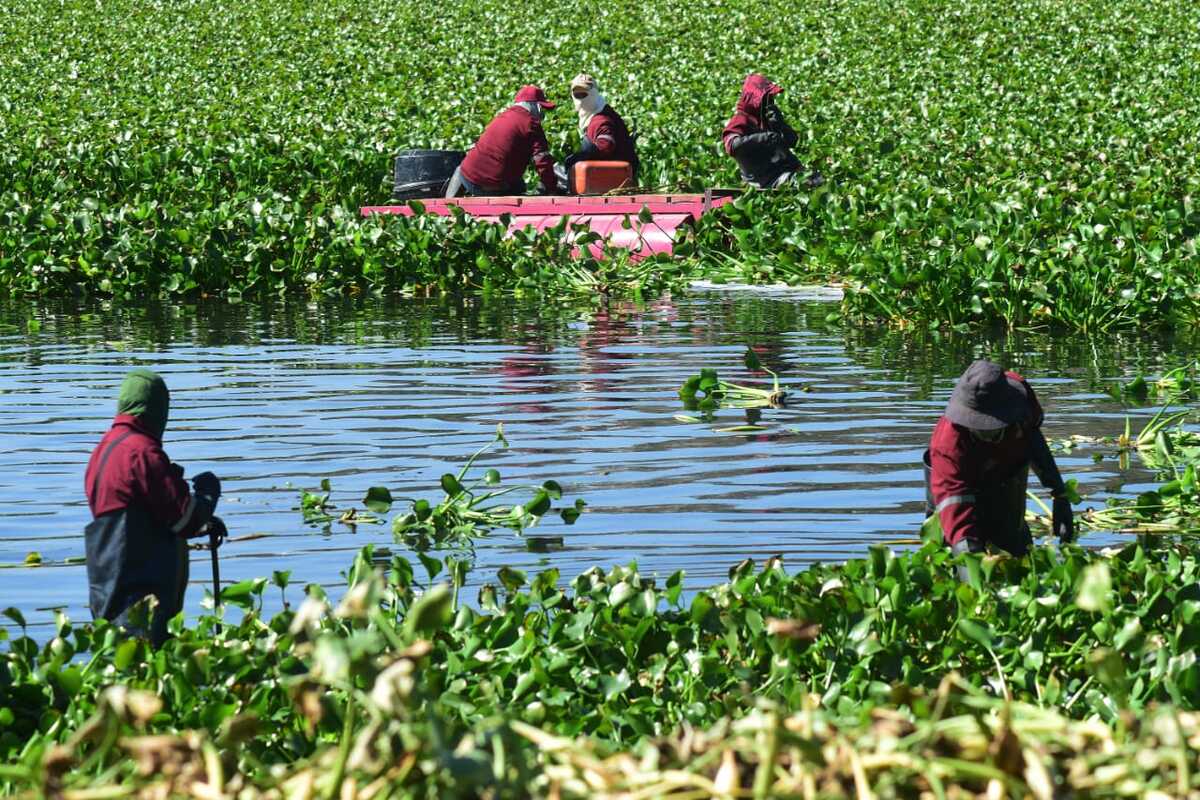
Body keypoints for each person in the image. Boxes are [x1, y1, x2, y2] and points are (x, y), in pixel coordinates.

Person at [84, 369, 225, 645]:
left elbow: (135, 520)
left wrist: (205, 525)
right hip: (140, 602)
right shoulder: (142, 452)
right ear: (156, 408)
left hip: (108, 595)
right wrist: (208, 497)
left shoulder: (103, 451)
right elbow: (185, 519)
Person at [924, 359, 1074, 561]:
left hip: (1005, 482)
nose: (987, 435)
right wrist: (975, 568)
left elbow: (1033, 439)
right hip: (957, 490)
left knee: (1017, 556)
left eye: (992, 428)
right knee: (953, 556)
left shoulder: (1021, 398)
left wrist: (1059, 494)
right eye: (980, 429)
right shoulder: (948, 445)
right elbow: (956, 508)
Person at [446, 85, 562, 197]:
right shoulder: (531, 124)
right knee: (519, 186)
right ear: (536, 106)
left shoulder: (502, 116)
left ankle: (447, 207)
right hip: (492, 187)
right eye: (542, 109)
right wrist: (551, 189)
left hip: (467, 178)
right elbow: (542, 161)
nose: (542, 114)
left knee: (463, 168)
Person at [722, 73, 813, 190]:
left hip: (788, 169)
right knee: (804, 183)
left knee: (817, 179)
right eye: (767, 98)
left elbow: (793, 142)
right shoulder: (741, 119)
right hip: (766, 179)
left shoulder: (768, 117)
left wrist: (781, 125)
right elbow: (732, 146)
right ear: (755, 98)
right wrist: (764, 138)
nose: (770, 101)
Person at [556, 74, 639, 193]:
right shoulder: (596, 111)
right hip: (610, 172)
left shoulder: (601, 119)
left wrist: (584, 153)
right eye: (577, 94)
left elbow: (606, 145)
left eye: (584, 94)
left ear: (594, 94)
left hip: (616, 177)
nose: (580, 99)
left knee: (557, 174)